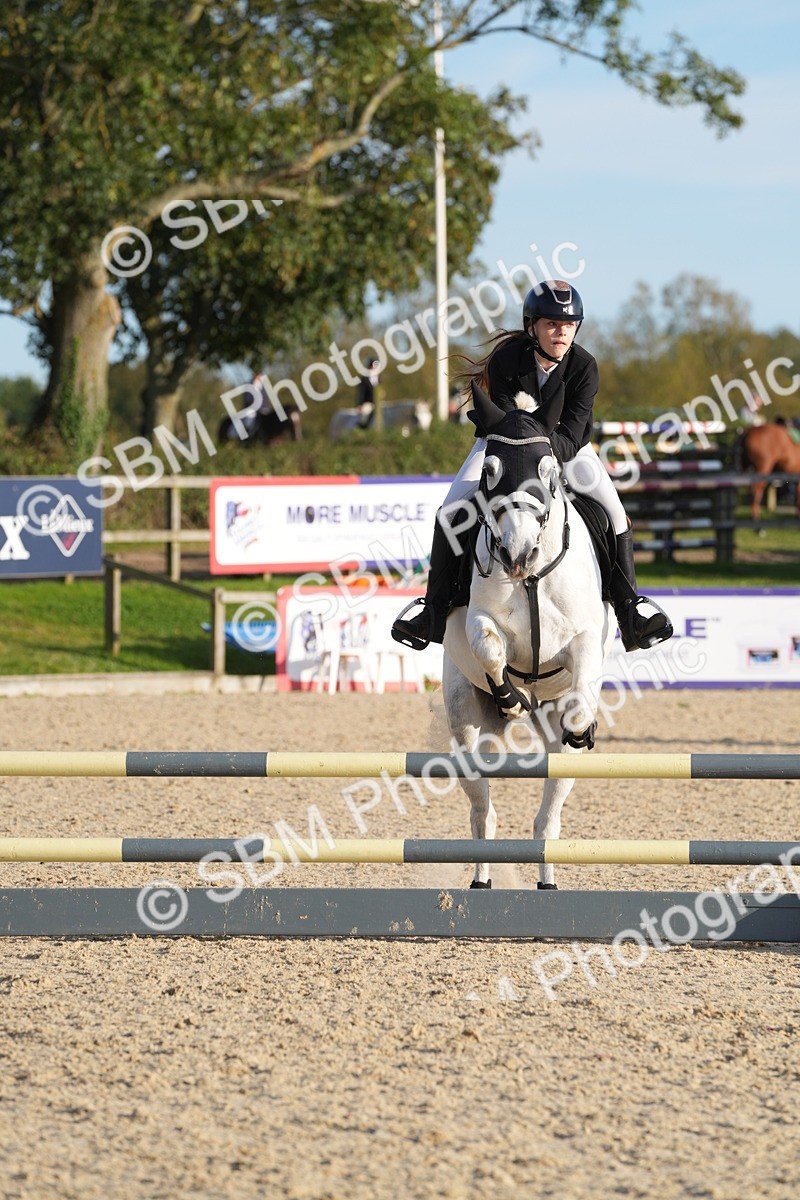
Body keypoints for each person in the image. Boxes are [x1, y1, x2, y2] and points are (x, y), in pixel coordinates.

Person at [391, 280, 673, 653]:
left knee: (616, 514)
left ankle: (629, 609)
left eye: (569, 325)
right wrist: (528, 449)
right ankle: (433, 607)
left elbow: (571, 435)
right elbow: (507, 422)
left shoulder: (584, 367)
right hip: (502, 446)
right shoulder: (508, 360)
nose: (561, 332)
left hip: (568, 451)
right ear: (532, 327)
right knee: (451, 511)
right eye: (552, 324)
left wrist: (542, 453)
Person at [354, 358, 381, 429]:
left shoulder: (379, 378)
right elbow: (361, 392)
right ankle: (363, 429)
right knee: (364, 417)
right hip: (368, 404)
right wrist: (359, 404)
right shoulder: (365, 379)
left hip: (378, 404)